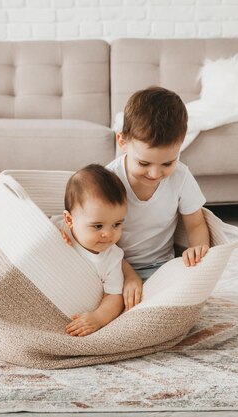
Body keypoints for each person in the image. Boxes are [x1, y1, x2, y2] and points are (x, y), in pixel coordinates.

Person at [107, 86, 211, 311]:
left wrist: (198, 249)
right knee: (111, 305)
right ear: (122, 142)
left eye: (167, 163)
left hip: (161, 266)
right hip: (113, 264)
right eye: (143, 163)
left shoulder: (181, 177)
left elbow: (196, 223)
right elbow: (101, 242)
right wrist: (128, 275)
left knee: (178, 304)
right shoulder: (110, 180)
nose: (155, 174)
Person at [51, 164, 127, 337]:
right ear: (69, 220)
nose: (108, 234)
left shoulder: (112, 257)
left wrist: (98, 318)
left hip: (74, 313)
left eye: (117, 224)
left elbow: (114, 296)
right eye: (97, 226)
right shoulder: (58, 228)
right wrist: (55, 234)